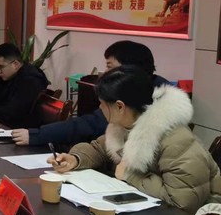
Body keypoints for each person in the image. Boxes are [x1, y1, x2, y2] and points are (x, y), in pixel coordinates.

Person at [48, 66, 221, 214]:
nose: (100, 108)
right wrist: (75, 159)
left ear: (120, 106)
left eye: (102, 103)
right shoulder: (124, 125)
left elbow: (183, 202)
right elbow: (99, 149)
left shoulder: (176, 140)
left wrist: (130, 175)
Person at [12, 40, 170, 147]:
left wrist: (37, 135)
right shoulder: (137, 89)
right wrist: (76, 158)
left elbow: (90, 125)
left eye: (109, 66)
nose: (105, 72)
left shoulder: (150, 101)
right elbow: (97, 147)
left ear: (129, 68)